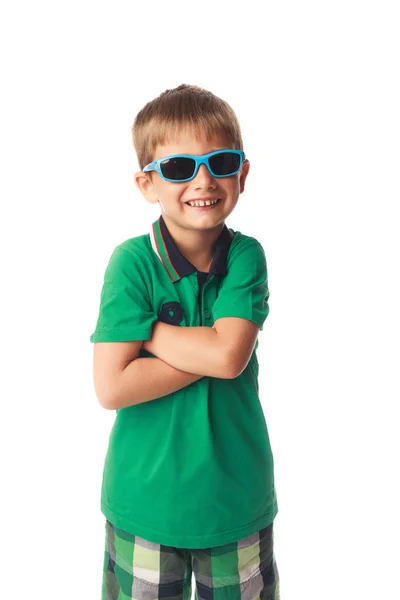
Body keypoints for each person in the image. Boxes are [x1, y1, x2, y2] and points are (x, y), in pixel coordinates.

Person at [90, 83, 280, 600]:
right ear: (146, 183)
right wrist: (215, 350)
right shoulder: (131, 263)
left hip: (234, 503)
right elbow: (112, 387)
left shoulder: (246, 257)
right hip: (144, 505)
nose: (203, 180)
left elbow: (229, 355)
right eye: (178, 168)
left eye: (220, 163)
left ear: (241, 173)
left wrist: (148, 332)